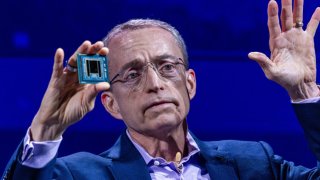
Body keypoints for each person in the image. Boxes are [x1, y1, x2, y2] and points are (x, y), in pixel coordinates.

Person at [2, 0, 320, 179]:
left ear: (190, 83)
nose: (155, 84)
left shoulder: (254, 162)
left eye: (168, 67)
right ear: (111, 104)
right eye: (133, 74)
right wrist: (45, 129)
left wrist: (305, 91)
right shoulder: (79, 174)